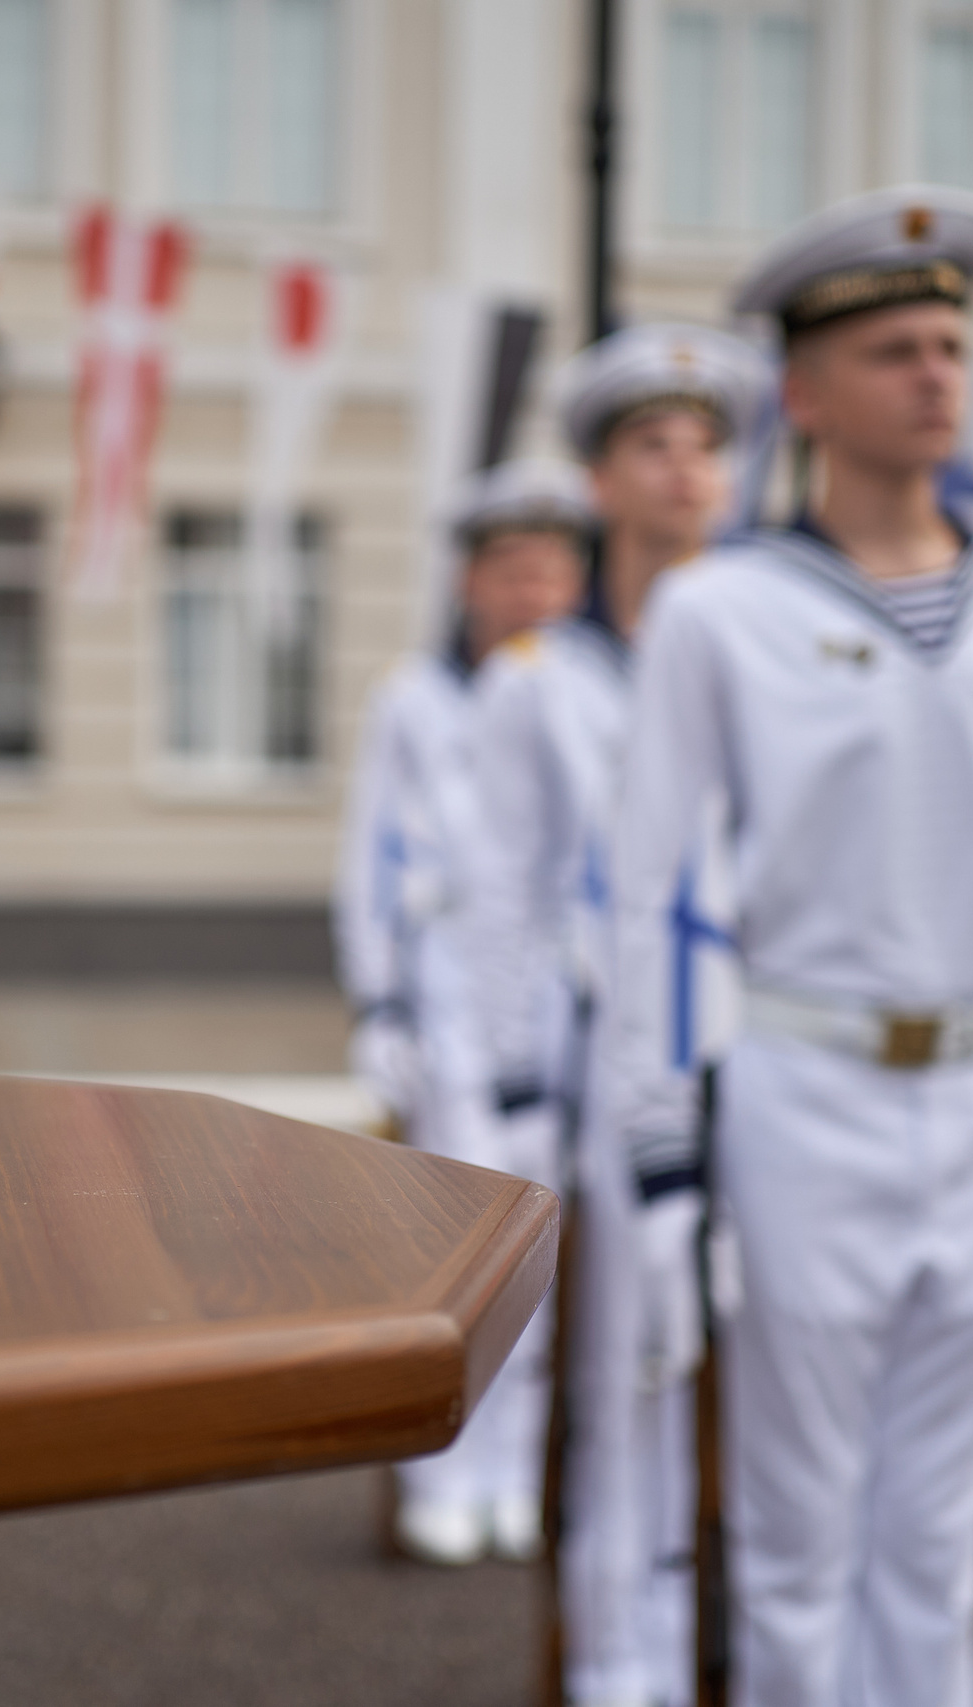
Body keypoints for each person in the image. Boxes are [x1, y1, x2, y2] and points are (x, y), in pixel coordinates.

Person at [600, 185, 973, 1707]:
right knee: (794, 1535)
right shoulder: (723, 611)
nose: (937, 373)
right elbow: (652, 899)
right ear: (809, 394)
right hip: (805, 1091)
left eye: (953, 343)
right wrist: (657, 1153)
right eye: (897, 347)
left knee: (939, 1536)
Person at [461, 323, 766, 1707]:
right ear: (600, 477)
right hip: (614, 1069)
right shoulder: (543, 682)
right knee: (621, 1386)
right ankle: (615, 1663)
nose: (688, 469)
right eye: (655, 443)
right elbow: (509, 894)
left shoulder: (770, 653)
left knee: (766, 1384)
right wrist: (523, 1079)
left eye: (706, 443)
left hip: (771, 1064)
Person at [335, 457, 592, 1566]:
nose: (532, 592)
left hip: (559, 1011)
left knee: (543, 1253)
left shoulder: (586, 693)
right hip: (444, 1005)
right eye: (511, 569)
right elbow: (371, 858)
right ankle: (442, 1478)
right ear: (469, 581)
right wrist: (378, 998)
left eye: (551, 569)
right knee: (449, 1256)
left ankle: (515, 1479)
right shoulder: (415, 698)